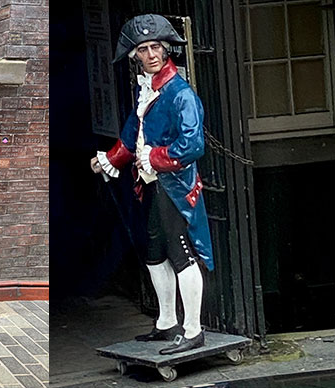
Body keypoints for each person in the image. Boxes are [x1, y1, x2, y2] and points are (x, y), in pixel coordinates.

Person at [90, 14, 214, 355]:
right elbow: (132, 133)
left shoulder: (180, 94)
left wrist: (154, 157)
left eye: (156, 46)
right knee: (153, 253)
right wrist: (109, 159)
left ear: (166, 48)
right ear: (136, 55)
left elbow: (193, 145)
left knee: (180, 254)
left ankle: (192, 330)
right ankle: (166, 322)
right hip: (153, 185)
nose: (151, 54)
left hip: (175, 185)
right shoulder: (145, 89)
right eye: (143, 49)